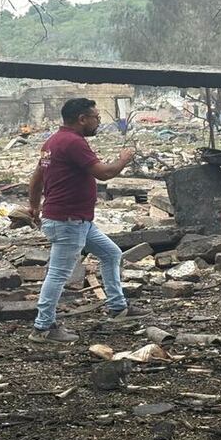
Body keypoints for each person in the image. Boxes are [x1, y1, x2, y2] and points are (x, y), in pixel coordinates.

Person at [27, 98, 148, 343]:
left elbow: (36, 178)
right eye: (96, 117)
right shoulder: (73, 142)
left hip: (76, 219)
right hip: (68, 220)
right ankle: (43, 327)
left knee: (111, 254)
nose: (98, 122)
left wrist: (34, 207)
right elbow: (105, 173)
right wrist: (124, 158)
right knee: (58, 274)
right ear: (82, 119)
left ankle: (118, 307)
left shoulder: (52, 142)